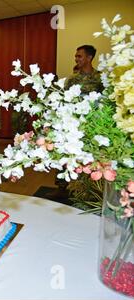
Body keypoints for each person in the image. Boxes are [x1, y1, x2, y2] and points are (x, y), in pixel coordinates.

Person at [48, 45, 104, 200]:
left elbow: (106, 101)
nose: (76, 59)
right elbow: (63, 100)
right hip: (72, 124)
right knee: (64, 155)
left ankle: (89, 191)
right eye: (76, 56)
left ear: (89, 58)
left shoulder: (100, 78)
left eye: (79, 56)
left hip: (92, 125)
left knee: (89, 158)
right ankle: (61, 188)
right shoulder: (72, 79)